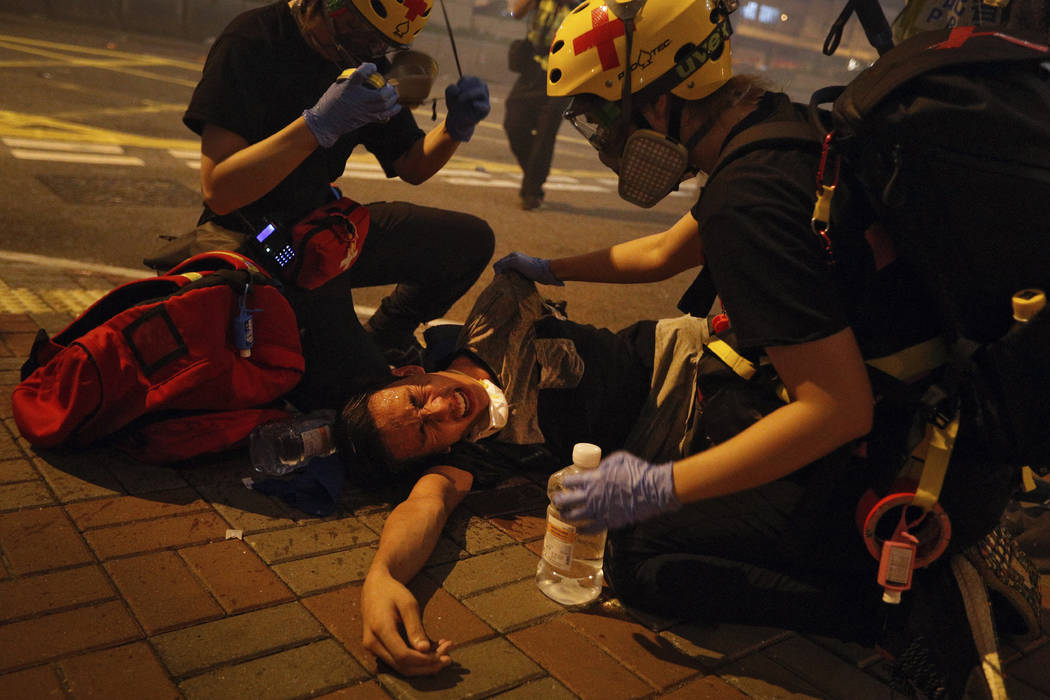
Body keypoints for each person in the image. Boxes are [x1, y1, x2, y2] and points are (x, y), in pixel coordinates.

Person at [488, 0, 1025, 696]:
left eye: (601, 114)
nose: (603, 135)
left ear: (660, 101)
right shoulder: (781, 128)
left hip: (906, 467)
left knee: (643, 554)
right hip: (946, 417)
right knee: (713, 433)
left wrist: (656, 489)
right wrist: (552, 268)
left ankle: (901, 608)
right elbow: (663, 253)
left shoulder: (751, 197)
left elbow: (836, 411)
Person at [338, 270, 729, 675]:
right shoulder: (474, 453)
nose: (440, 409)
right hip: (686, 446)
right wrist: (382, 576)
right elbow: (426, 503)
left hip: (691, 366)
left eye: (418, 399)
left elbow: (515, 279)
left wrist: (546, 267)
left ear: (408, 373)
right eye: (426, 432)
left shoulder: (491, 326)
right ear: (438, 450)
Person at [183, 0, 495, 371]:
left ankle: (387, 336)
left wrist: (454, 129)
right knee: (359, 387)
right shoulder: (252, 39)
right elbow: (220, 191)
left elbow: (412, 163)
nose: (356, 48)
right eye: (350, 29)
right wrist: (316, 126)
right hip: (255, 235)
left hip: (324, 227)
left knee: (469, 241)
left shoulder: (363, 60)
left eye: (375, 43)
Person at [503, 0, 580, 210]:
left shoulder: (586, 4)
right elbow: (516, 13)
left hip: (565, 73)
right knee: (514, 123)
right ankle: (533, 178)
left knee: (546, 133)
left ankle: (531, 190)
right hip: (533, 69)